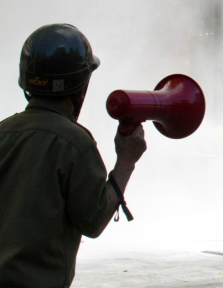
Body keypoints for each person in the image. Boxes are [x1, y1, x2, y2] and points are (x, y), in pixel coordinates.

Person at [0, 24, 147, 287]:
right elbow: (93, 221)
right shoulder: (75, 142)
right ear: (80, 86)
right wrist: (126, 161)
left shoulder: (3, 132)